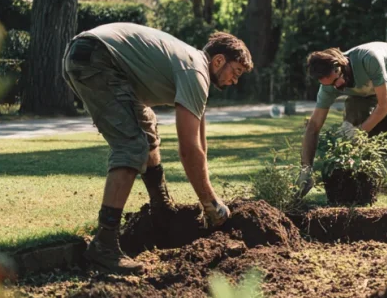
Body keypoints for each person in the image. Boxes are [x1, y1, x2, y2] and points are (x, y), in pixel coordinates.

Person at [62, 24, 253, 274]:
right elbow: (188, 149)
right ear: (218, 61)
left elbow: (199, 143)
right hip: (97, 58)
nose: (235, 81)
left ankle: (160, 209)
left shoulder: (193, 65)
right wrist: (210, 203)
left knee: (147, 129)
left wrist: (209, 198)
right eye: (236, 72)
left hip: (91, 53)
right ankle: (104, 244)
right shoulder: (195, 71)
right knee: (132, 145)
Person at [297, 42, 387, 207]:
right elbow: (314, 126)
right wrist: (306, 168)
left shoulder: (368, 59)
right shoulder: (329, 86)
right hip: (373, 89)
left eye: (337, 80)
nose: (337, 86)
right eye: (330, 84)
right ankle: (361, 191)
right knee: (353, 116)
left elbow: (384, 106)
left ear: (341, 65)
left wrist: (359, 132)